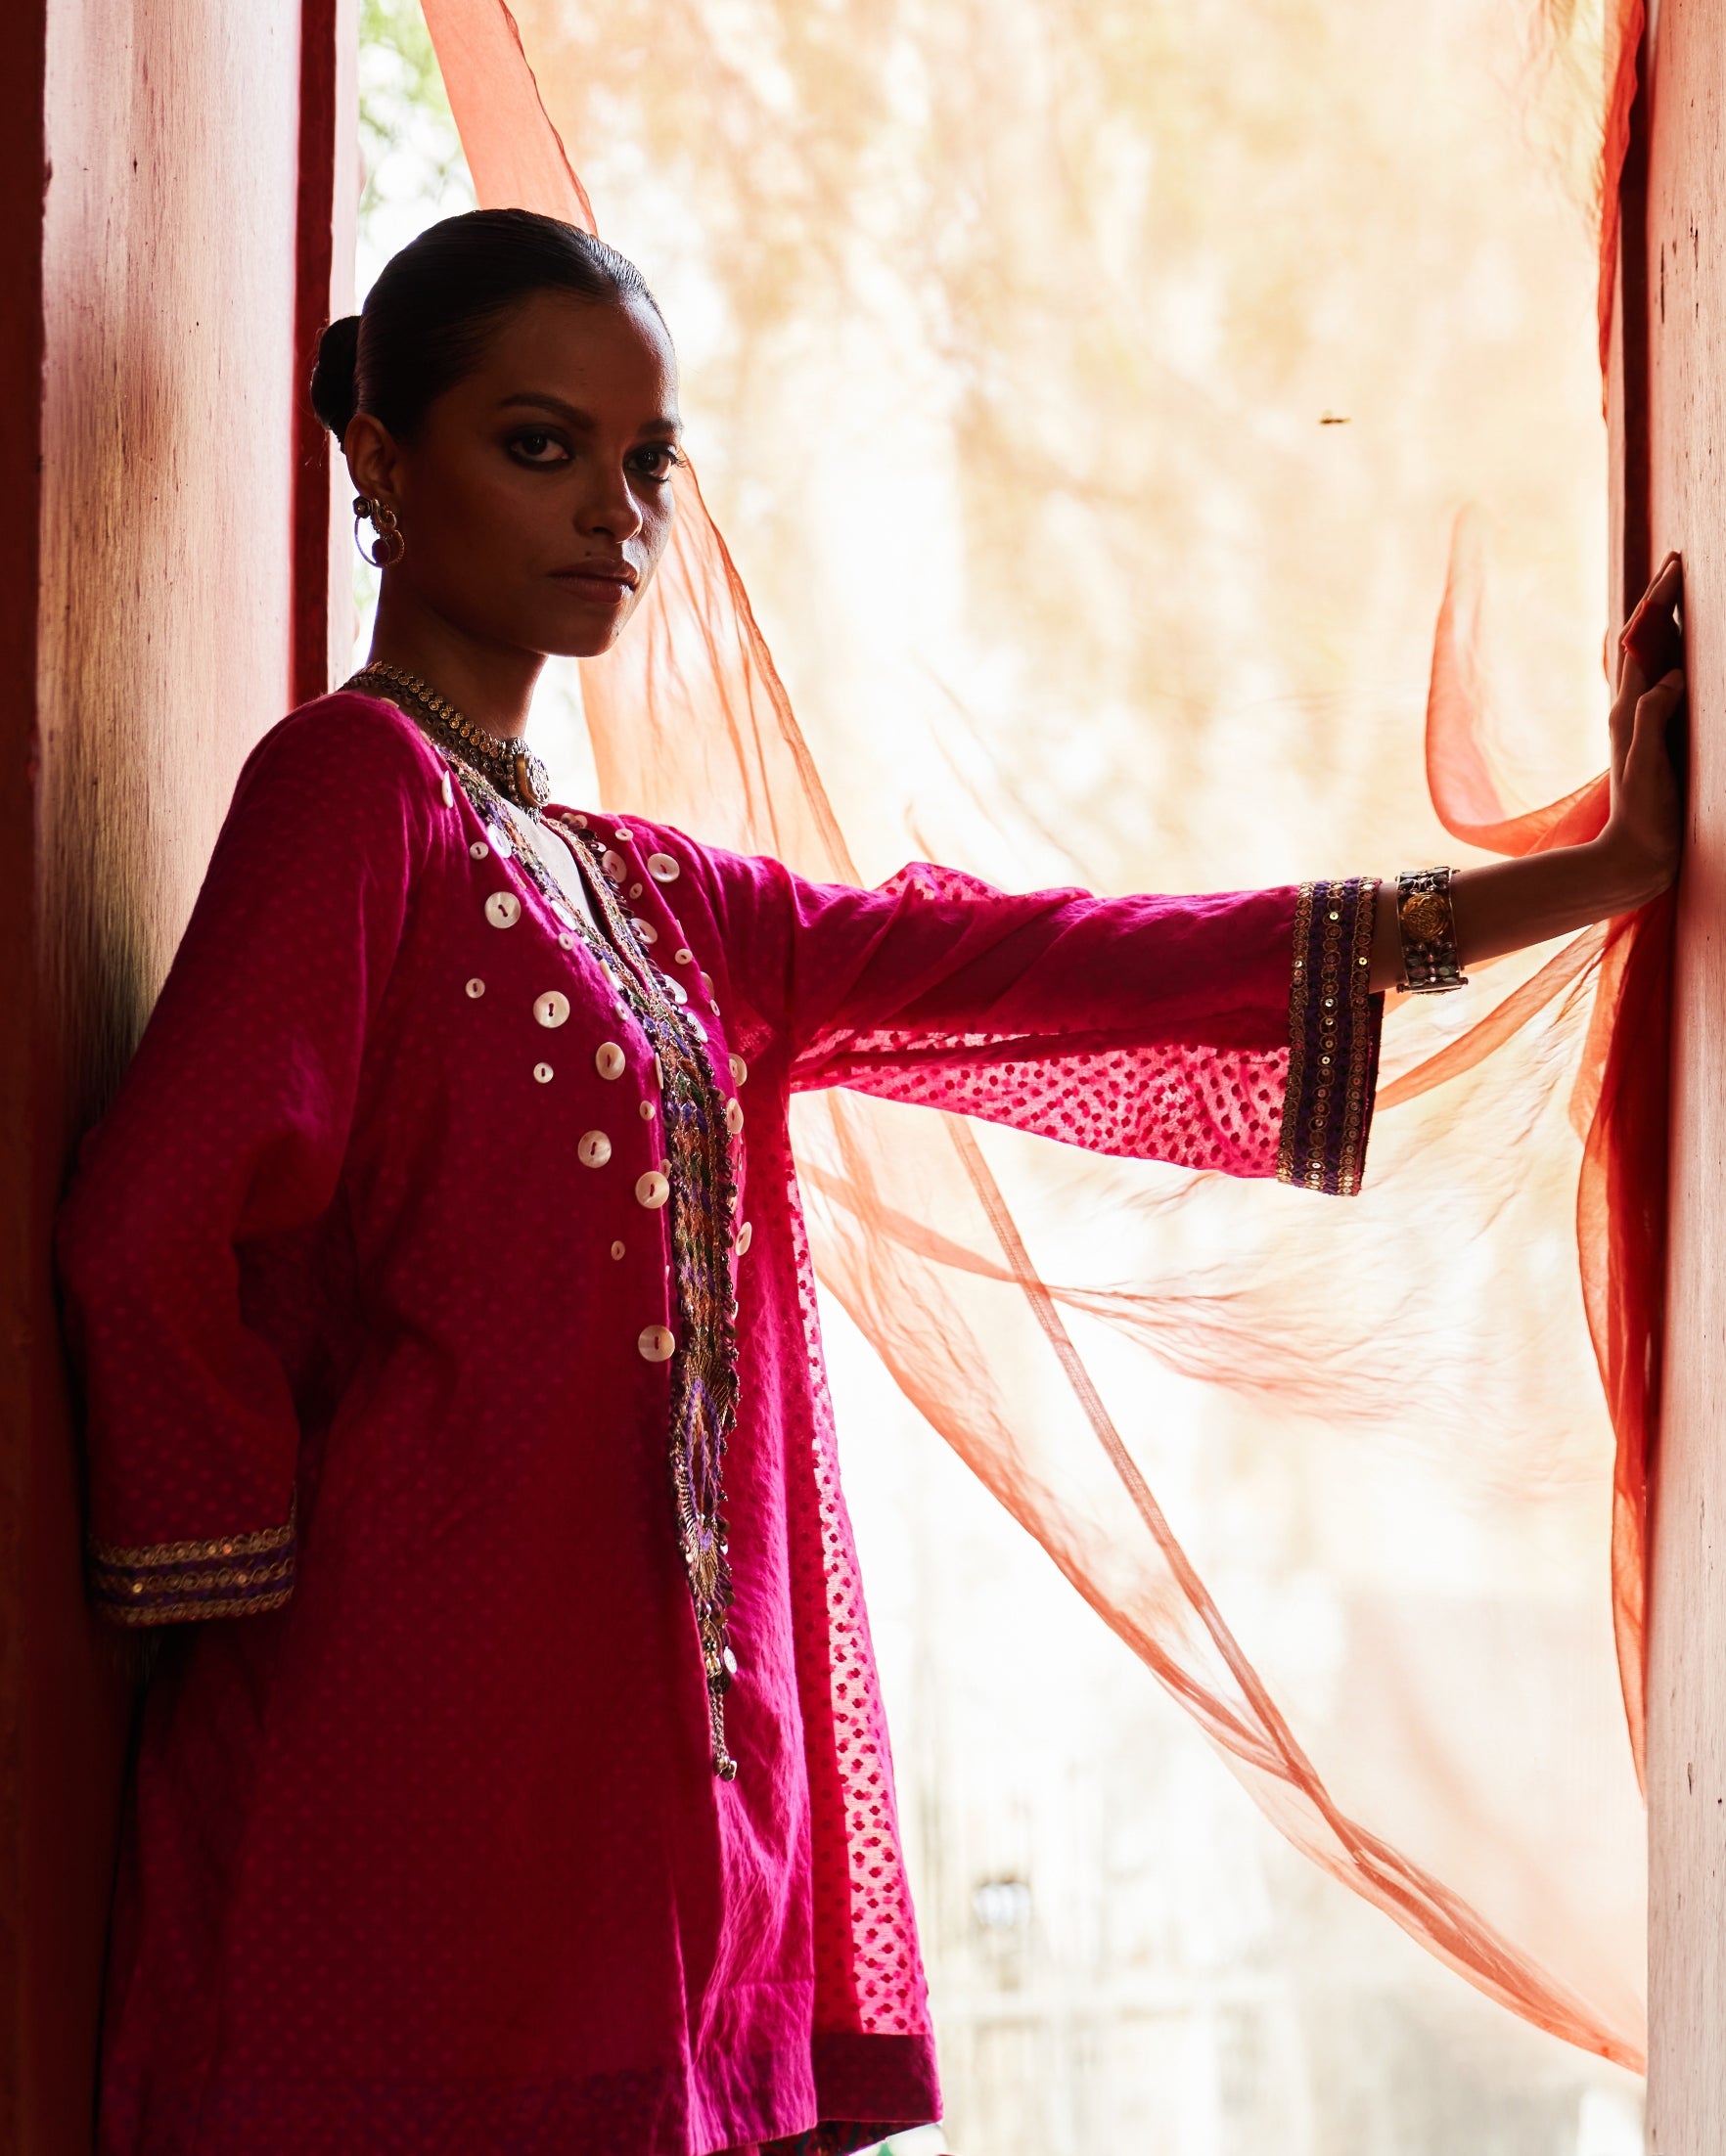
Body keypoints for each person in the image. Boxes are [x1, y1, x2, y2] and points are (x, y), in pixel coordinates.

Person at [56, 208, 1684, 2156]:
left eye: (645, 461)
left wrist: (1587, 877)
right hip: (398, 1764)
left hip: (643, 1804)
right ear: (381, 462)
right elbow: (150, 1216)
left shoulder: (653, 897)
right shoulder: (353, 794)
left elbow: (1049, 957)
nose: (613, 514)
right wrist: (231, 1583)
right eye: (540, 443)